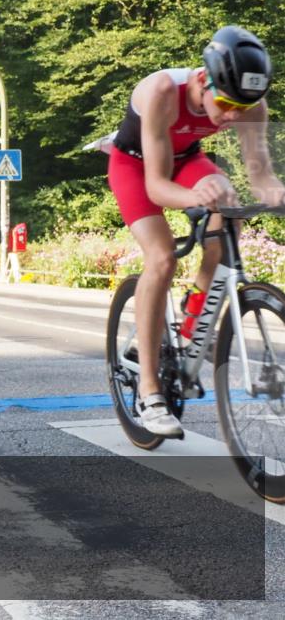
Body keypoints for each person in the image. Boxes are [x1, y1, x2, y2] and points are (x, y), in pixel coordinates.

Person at [106, 25, 285, 438]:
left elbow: (261, 176)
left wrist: (274, 192)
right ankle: (149, 392)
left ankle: (192, 320)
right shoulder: (163, 92)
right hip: (136, 166)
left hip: (186, 157)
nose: (231, 117)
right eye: (224, 104)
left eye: (244, 106)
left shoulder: (248, 104)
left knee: (231, 214)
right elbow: (155, 186)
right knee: (162, 256)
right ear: (204, 79)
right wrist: (193, 194)